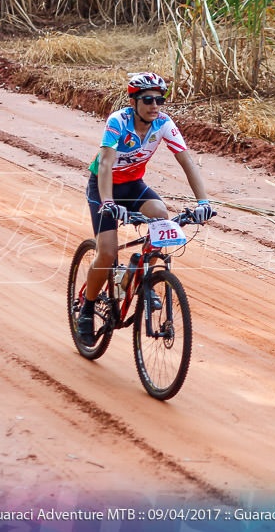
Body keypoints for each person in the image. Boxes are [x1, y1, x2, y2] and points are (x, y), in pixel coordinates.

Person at [77, 72, 213, 346]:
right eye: (148, 100)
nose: (155, 105)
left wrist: (204, 202)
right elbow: (105, 164)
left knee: (161, 216)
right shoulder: (118, 121)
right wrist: (108, 202)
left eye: (159, 100)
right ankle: (88, 310)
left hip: (133, 185)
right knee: (107, 252)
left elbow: (187, 162)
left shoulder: (163, 123)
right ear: (133, 101)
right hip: (104, 187)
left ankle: (142, 277)